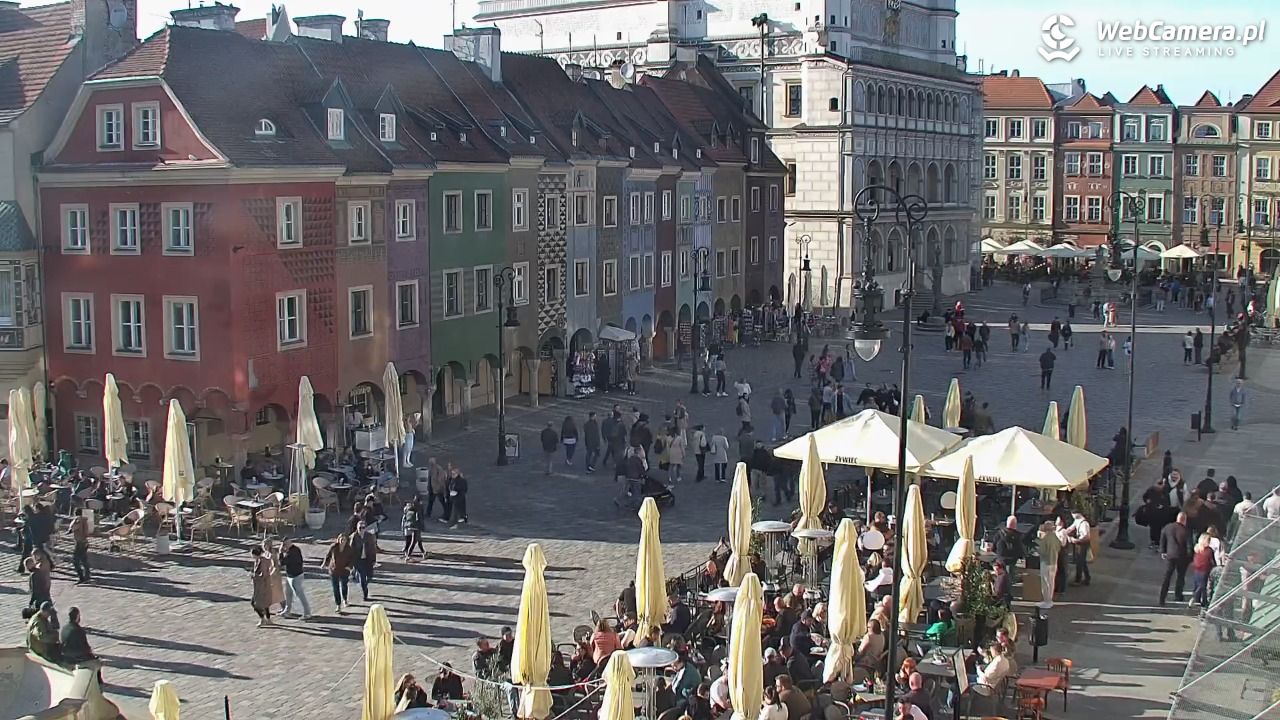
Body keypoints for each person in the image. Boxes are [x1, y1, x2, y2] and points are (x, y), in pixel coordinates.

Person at [277, 538, 312, 620]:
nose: (284, 546)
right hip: (290, 575)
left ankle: (307, 613)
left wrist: (280, 553)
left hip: (296, 576)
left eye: (285, 544)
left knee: (300, 595)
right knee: (288, 595)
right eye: (283, 544)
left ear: (289, 543)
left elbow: (282, 563)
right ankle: (287, 610)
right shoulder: (294, 549)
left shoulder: (292, 552)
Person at [322, 532, 354, 613]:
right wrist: (324, 564)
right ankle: (338, 605)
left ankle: (345, 599)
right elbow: (328, 556)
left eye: (344, 540)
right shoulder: (334, 547)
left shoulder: (349, 549)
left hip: (344, 570)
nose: (342, 541)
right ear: (338, 539)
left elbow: (352, 559)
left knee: (344, 585)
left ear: (347, 541)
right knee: (335, 588)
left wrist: (349, 567)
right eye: (341, 539)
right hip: (334, 570)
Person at [249, 546, 274, 627]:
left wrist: (253, 576)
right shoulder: (258, 561)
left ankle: (262, 618)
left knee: (254, 603)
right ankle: (268, 619)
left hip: (262, 586)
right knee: (264, 603)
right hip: (260, 586)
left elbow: (263, 575)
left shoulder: (262, 562)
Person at [1190, 534, 1217, 608]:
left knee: (1198, 584)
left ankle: (1197, 599)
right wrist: (1215, 566)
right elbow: (1212, 560)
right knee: (1203, 586)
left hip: (1197, 569)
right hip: (1205, 569)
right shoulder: (1209, 550)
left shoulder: (1197, 548)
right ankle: (1202, 601)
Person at [67, 508, 90, 584]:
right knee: (84, 560)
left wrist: (70, 528)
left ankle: (81, 577)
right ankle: (87, 576)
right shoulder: (85, 520)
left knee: (75, 561)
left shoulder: (78, 520)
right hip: (85, 541)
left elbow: (73, 528)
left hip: (79, 542)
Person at [1068, 512, 1092, 586]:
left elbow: (1086, 537)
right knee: (1082, 561)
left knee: (1079, 562)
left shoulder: (1084, 524)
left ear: (1078, 514)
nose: (1072, 515)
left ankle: (1078, 580)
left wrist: (1076, 540)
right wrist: (1063, 532)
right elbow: (1071, 528)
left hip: (1082, 544)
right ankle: (1087, 577)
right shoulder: (1077, 520)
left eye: (1073, 514)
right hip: (1079, 543)